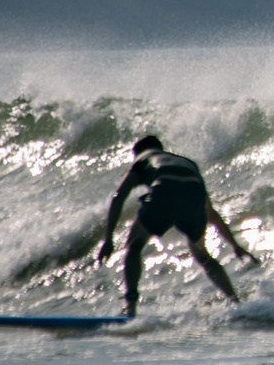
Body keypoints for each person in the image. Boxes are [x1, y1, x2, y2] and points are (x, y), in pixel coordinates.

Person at [98, 135, 259, 318]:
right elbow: (211, 213)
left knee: (134, 246)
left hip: (163, 193)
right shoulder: (187, 163)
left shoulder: (142, 160)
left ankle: (131, 307)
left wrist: (109, 238)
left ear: (137, 153)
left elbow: (119, 196)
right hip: (194, 198)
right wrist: (235, 245)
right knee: (203, 256)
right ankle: (236, 303)